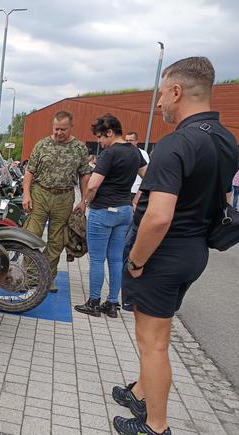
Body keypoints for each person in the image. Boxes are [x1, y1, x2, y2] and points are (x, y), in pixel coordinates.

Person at [115, 56, 239, 435]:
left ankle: (156, 427)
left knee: (153, 342)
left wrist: (136, 260)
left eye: (161, 95)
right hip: (194, 252)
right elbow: (220, 200)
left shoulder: (177, 143)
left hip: (162, 256)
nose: (158, 106)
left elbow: (158, 216)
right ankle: (139, 391)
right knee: (159, 332)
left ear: (176, 91)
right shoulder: (225, 140)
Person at [74, 114, 146, 318]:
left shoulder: (109, 154)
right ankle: (112, 303)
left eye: (100, 137)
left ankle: (94, 302)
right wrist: (135, 201)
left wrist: (85, 201)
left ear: (110, 133)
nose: (99, 142)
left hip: (103, 211)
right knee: (115, 259)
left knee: (97, 259)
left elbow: (94, 183)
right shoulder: (135, 152)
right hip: (124, 211)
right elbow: (148, 178)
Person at [22, 110, 91, 292]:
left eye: (63, 129)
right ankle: (28, 275)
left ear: (71, 127)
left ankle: (47, 276)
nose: (59, 133)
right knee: (31, 235)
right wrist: (26, 194)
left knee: (57, 241)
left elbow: (84, 176)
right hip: (40, 194)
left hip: (64, 197)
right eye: (56, 129)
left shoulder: (79, 148)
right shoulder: (42, 145)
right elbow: (29, 172)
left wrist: (84, 201)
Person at [125, 131, 151, 210]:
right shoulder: (123, 153)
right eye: (126, 140)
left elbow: (146, 173)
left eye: (131, 140)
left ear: (136, 141)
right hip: (124, 190)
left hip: (135, 190)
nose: (128, 142)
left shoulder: (142, 153)